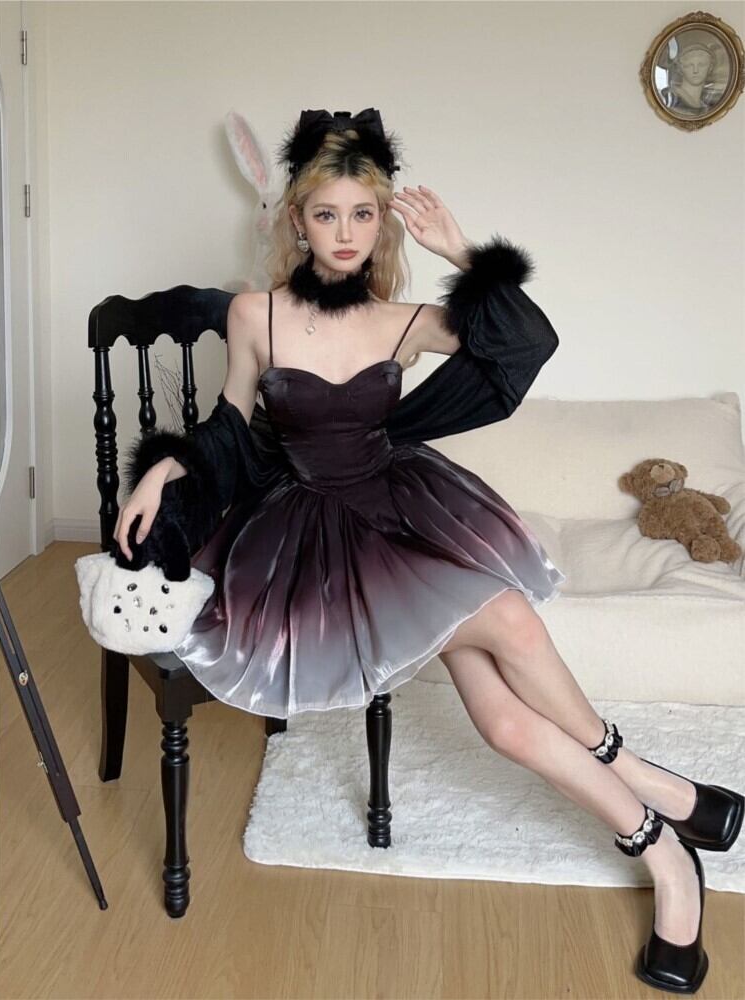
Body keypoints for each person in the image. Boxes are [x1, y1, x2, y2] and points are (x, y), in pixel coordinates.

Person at [114, 108, 741, 993]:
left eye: (363, 214)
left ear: (383, 223)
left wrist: (462, 252)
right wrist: (164, 467)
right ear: (297, 220)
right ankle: (662, 813)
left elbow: (528, 344)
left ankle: (664, 844)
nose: (345, 233)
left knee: (506, 707)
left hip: (406, 510)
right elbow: (229, 427)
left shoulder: (405, 320)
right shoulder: (254, 313)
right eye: (326, 214)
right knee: (508, 667)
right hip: (321, 536)